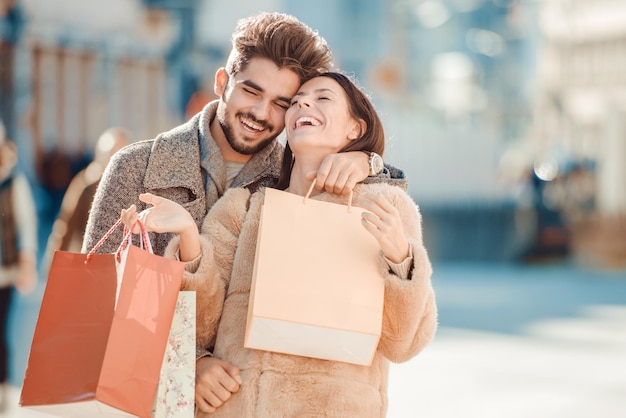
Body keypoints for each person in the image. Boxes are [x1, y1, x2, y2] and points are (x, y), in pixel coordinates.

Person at [82, 11, 406, 413]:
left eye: (280, 103)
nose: (261, 114)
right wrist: (186, 363)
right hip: (149, 401)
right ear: (222, 82)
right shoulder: (137, 167)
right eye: (252, 92)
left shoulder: (293, 176)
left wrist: (366, 163)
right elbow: (97, 297)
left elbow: (389, 200)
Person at [122, 71, 437, 417]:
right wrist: (188, 238)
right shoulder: (243, 207)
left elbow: (404, 343)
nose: (304, 102)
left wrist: (401, 259)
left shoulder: (383, 207)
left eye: (323, 98)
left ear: (355, 128)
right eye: (298, 99)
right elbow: (202, 323)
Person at [42, 127, 131, 270]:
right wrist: (54, 265)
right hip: (90, 263)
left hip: (124, 264)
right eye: (110, 154)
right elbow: (66, 226)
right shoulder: (86, 184)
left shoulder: (135, 185)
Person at [0, 122, 38, 413]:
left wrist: (27, 261)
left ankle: (2, 390)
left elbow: (26, 224)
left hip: (5, 274)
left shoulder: (13, 180)